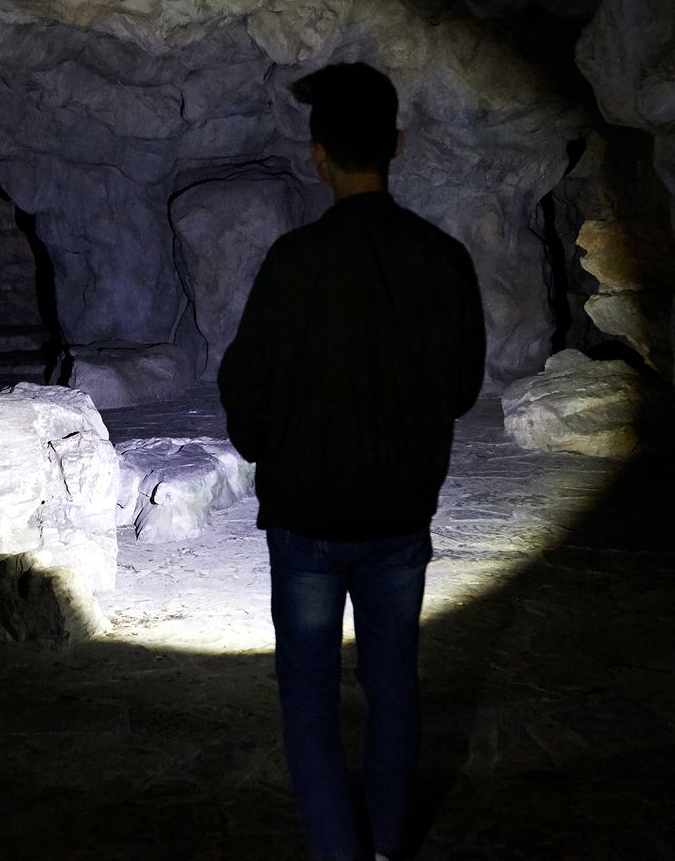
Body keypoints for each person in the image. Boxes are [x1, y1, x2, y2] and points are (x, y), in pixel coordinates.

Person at [217, 62, 486, 861]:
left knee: (308, 700)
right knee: (393, 686)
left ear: (319, 157)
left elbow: (244, 380)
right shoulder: (442, 258)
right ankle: (387, 849)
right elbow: (462, 388)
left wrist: (270, 449)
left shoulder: (294, 260)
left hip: (306, 518)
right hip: (399, 514)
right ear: (396, 146)